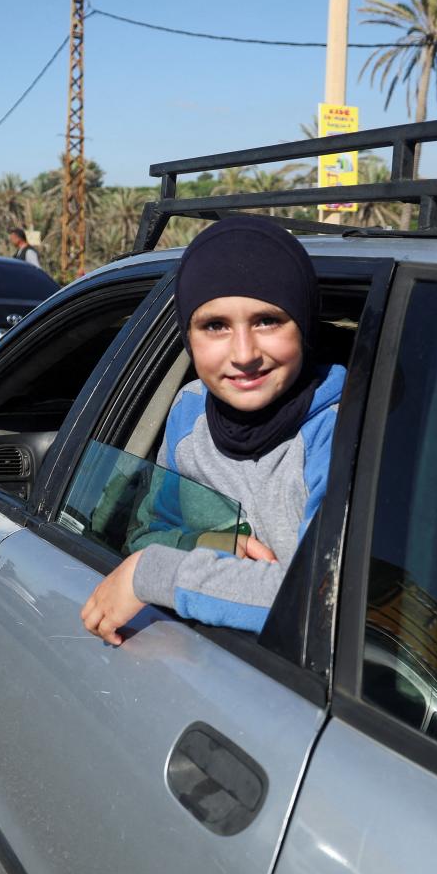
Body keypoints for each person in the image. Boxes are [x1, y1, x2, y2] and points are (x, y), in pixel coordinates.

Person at [79, 217, 344, 645]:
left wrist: (157, 575)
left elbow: (321, 602)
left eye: (268, 321)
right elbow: (149, 533)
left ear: (305, 325)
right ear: (188, 337)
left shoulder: (336, 432)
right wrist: (211, 543)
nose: (243, 354)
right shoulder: (188, 412)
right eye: (215, 326)